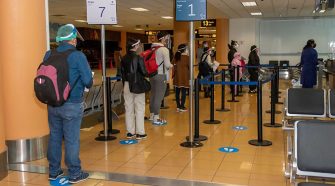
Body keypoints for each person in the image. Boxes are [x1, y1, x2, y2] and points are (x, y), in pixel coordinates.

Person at [45, 24, 93, 184]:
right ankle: (74, 173)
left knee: (54, 137)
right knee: (72, 139)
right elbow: (88, 81)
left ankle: (53, 171)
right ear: (72, 38)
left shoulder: (48, 54)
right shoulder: (78, 56)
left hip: (52, 103)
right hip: (72, 103)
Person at [121, 38, 148, 139]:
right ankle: (140, 132)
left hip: (127, 85)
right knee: (140, 108)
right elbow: (144, 72)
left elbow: (122, 74)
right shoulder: (139, 58)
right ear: (135, 46)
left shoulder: (123, 58)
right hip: (138, 85)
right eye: (138, 45)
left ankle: (130, 132)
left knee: (128, 108)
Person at [149, 31, 173, 125]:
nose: (167, 40)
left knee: (153, 95)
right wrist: (172, 65)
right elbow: (167, 64)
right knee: (159, 97)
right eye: (167, 38)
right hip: (160, 75)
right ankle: (156, 117)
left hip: (152, 75)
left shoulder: (152, 48)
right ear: (163, 38)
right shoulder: (164, 50)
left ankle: (152, 115)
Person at [172, 44, 189, 112]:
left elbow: (172, 64)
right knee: (184, 92)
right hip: (184, 76)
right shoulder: (187, 57)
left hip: (177, 77)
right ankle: (182, 106)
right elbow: (189, 67)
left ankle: (178, 106)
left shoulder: (176, 57)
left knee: (177, 92)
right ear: (184, 50)